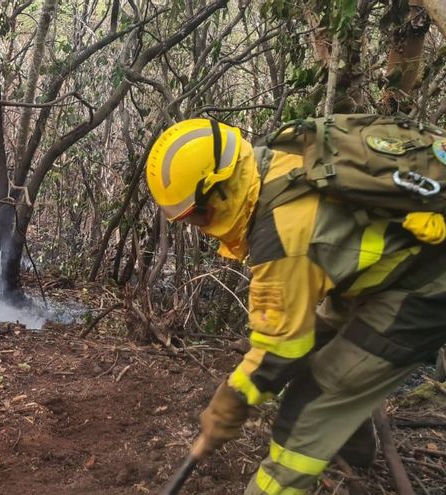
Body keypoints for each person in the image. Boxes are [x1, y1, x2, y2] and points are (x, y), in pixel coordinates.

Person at [144, 117, 446, 494]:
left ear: (219, 191)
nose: (197, 227)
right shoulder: (274, 161)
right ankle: (353, 454)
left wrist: (230, 403)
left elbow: (280, 349)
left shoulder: (281, 233)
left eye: (196, 216)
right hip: (392, 268)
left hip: (425, 286)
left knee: (307, 406)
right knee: (319, 341)